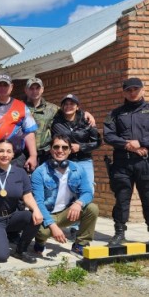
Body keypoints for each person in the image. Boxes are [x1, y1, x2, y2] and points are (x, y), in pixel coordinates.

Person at [0, 140, 43, 263]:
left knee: (33, 217)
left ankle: (20, 251)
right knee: (1, 257)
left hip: (12, 217)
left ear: (13, 155)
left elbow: (27, 196)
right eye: (1, 151)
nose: (4, 155)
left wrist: (36, 210)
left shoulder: (20, 173)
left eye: (8, 151)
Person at [31, 134, 98, 256]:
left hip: (66, 213)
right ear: (51, 149)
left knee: (92, 209)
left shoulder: (78, 169)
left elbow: (88, 192)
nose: (60, 151)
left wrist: (78, 203)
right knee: (43, 232)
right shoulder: (40, 172)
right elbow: (38, 202)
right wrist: (53, 226)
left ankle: (80, 245)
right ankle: (40, 241)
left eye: (64, 147)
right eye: (56, 147)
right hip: (46, 214)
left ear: (70, 150)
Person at [103, 77, 149, 246]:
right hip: (122, 163)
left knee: (148, 198)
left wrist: (142, 142)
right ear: (124, 92)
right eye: (128, 90)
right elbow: (108, 136)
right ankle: (119, 233)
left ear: (142, 90)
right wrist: (128, 145)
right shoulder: (115, 114)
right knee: (122, 199)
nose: (132, 93)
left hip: (146, 163)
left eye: (135, 89)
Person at [51, 93, 101, 240]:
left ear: (77, 106)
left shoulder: (86, 121)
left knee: (87, 189)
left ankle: (80, 226)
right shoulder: (56, 121)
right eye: (65, 104)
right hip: (65, 161)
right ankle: (70, 223)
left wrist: (81, 147)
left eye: (72, 104)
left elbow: (97, 142)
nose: (68, 106)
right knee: (69, 191)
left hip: (84, 160)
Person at [0, 74, 38, 172]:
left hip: (15, 159)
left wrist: (33, 155)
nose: (2, 88)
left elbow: (29, 132)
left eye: (5, 85)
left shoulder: (21, 106)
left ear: (11, 87)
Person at [24, 77, 59, 164]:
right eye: (31, 88)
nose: (34, 91)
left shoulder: (53, 109)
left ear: (42, 89)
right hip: (23, 154)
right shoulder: (19, 107)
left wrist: (85, 114)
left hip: (45, 155)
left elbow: (70, 113)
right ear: (26, 90)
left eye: (37, 88)